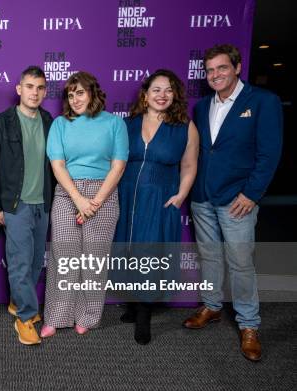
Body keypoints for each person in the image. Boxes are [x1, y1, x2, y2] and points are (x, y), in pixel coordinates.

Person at [182, 44, 283, 362]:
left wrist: (252, 194)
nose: (215, 75)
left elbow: (269, 154)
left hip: (237, 200)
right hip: (203, 198)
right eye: (210, 70)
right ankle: (212, 306)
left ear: (237, 68)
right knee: (210, 257)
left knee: (241, 264)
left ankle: (249, 325)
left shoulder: (263, 101)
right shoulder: (201, 107)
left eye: (221, 68)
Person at [113, 69, 199, 345]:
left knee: (149, 252)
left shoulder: (185, 126)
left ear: (175, 96)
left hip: (160, 197)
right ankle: (133, 303)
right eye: (156, 90)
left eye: (168, 90)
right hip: (126, 195)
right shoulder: (127, 124)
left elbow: (189, 165)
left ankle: (144, 313)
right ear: (145, 95)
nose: (162, 95)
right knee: (126, 248)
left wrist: (181, 195)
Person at [42, 71, 128, 339]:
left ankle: (87, 316)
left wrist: (96, 201)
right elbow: (57, 165)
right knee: (64, 259)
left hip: (103, 193)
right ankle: (56, 317)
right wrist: (79, 200)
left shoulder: (115, 124)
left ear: (92, 93)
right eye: (70, 94)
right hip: (69, 193)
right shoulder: (60, 124)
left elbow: (118, 165)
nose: (75, 99)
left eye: (80, 92)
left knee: (94, 260)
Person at [0, 66, 54, 345]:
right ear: (19, 89)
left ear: (45, 91)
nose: (34, 92)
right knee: (20, 262)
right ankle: (25, 317)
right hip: (16, 205)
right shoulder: (2, 123)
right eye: (29, 86)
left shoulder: (50, 121)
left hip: (43, 204)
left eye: (39, 88)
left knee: (36, 261)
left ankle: (18, 301)